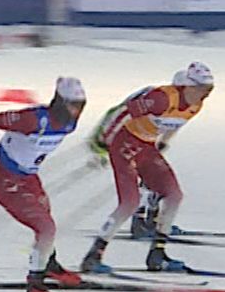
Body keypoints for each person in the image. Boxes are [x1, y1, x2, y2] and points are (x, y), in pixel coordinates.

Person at [0, 76, 88, 292]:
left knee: (46, 214)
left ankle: (48, 264)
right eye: (72, 104)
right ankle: (35, 289)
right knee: (46, 227)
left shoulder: (70, 124)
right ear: (59, 102)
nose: (76, 111)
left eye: (80, 105)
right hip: (5, 181)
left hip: (28, 177)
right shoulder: (34, 119)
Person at [79, 62, 215, 274]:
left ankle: (157, 255)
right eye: (202, 89)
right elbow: (121, 112)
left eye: (209, 90)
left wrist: (163, 143)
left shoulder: (195, 106)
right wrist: (103, 144)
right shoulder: (161, 99)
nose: (205, 95)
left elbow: (176, 123)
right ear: (188, 86)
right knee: (129, 203)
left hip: (146, 146)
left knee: (174, 195)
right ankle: (93, 256)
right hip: (123, 144)